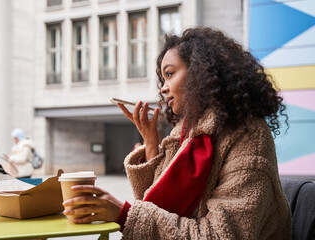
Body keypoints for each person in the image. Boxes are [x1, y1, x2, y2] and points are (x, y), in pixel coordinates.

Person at [62, 27, 291, 239]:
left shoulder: (248, 134)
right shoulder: (185, 131)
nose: (162, 87)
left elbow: (221, 235)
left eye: (169, 74)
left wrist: (124, 216)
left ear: (201, 72)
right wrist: (151, 144)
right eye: (163, 79)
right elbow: (156, 204)